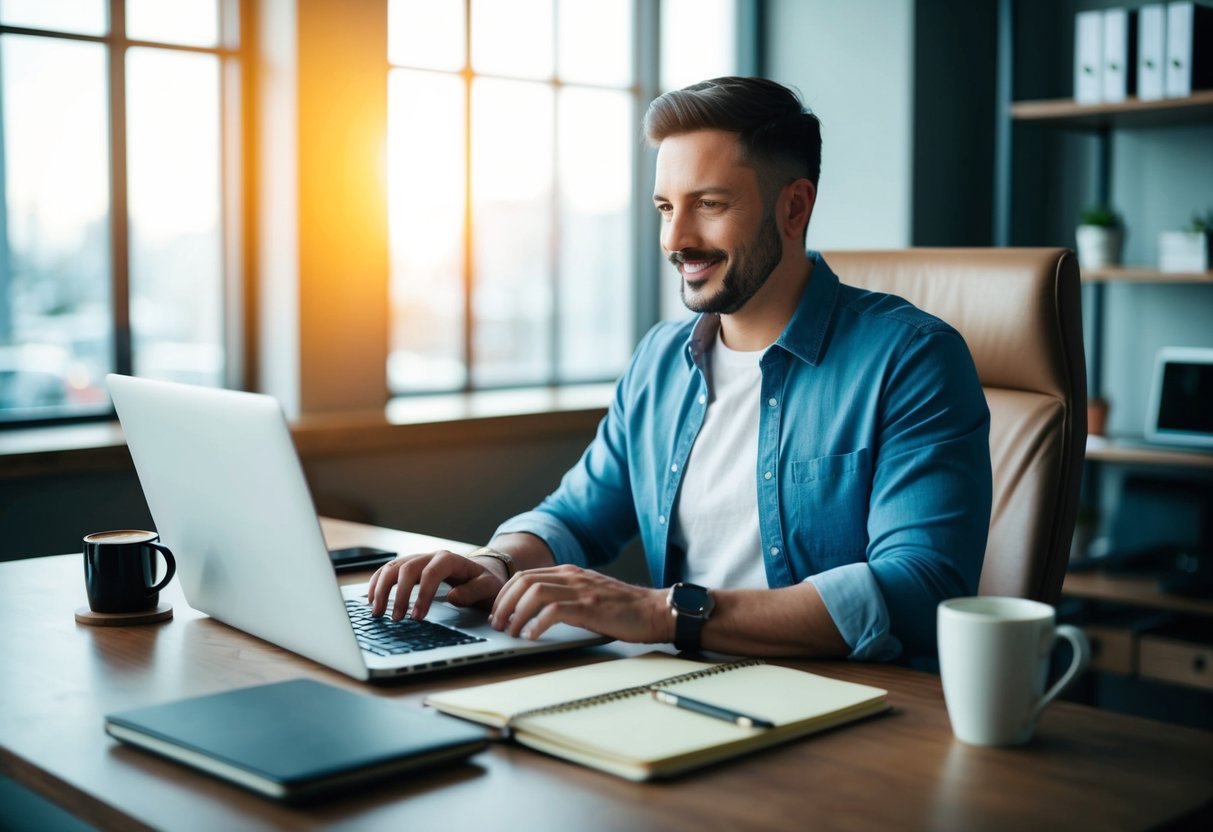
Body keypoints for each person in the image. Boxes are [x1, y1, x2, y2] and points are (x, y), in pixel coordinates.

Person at [368, 76, 992, 663]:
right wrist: (496, 562)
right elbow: (575, 517)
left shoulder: (912, 359)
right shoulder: (660, 360)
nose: (675, 239)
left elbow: (919, 589)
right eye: (666, 207)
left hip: (848, 707)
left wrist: (665, 611)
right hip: (679, 686)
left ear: (794, 208)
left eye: (709, 204)